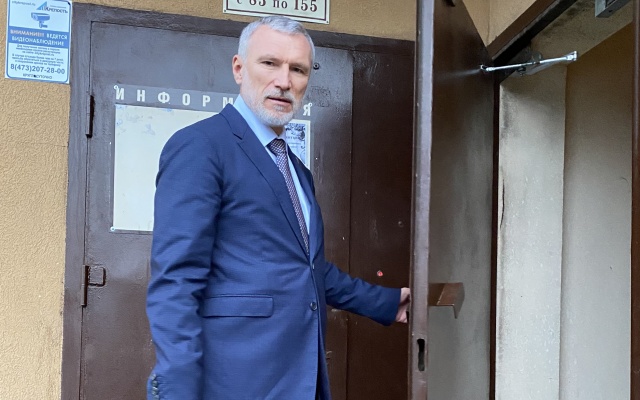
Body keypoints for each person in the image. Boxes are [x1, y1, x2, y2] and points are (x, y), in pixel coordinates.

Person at [146, 15, 410, 400]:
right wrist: (177, 391)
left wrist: (384, 302)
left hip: (299, 380)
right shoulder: (201, 146)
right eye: (270, 63)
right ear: (239, 68)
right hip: (234, 383)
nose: (284, 81)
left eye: (298, 69)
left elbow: (306, 268)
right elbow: (176, 280)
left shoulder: (296, 170)